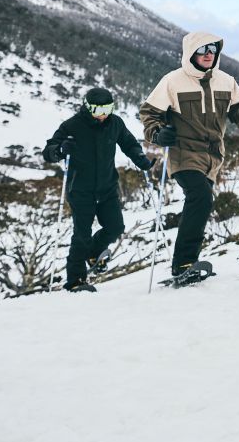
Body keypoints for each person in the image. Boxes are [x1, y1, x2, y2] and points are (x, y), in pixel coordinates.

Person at [139, 32, 239, 280]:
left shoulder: (226, 81)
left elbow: (237, 113)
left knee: (200, 202)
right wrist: (157, 134)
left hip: (214, 156)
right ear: (191, 52)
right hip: (183, 152)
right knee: (201, 198)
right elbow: (149, 113)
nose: (209, 54)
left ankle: (187, 264)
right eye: (203, 49)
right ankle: (183, 264)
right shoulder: (173, 81)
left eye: (213, 49)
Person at [43, 87, 155, 292]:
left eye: (108, 108)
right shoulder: (72, 126)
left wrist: (140, 159)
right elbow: (48, 152)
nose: (103, 114)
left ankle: (94, 253)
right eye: (97, 110)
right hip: (80, 189)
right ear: (88, 107)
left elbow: (129, 144)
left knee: (116, 227)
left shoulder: (115, 123)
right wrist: (59, 150)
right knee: (81, 236)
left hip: (107, 187)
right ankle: (75, 281)